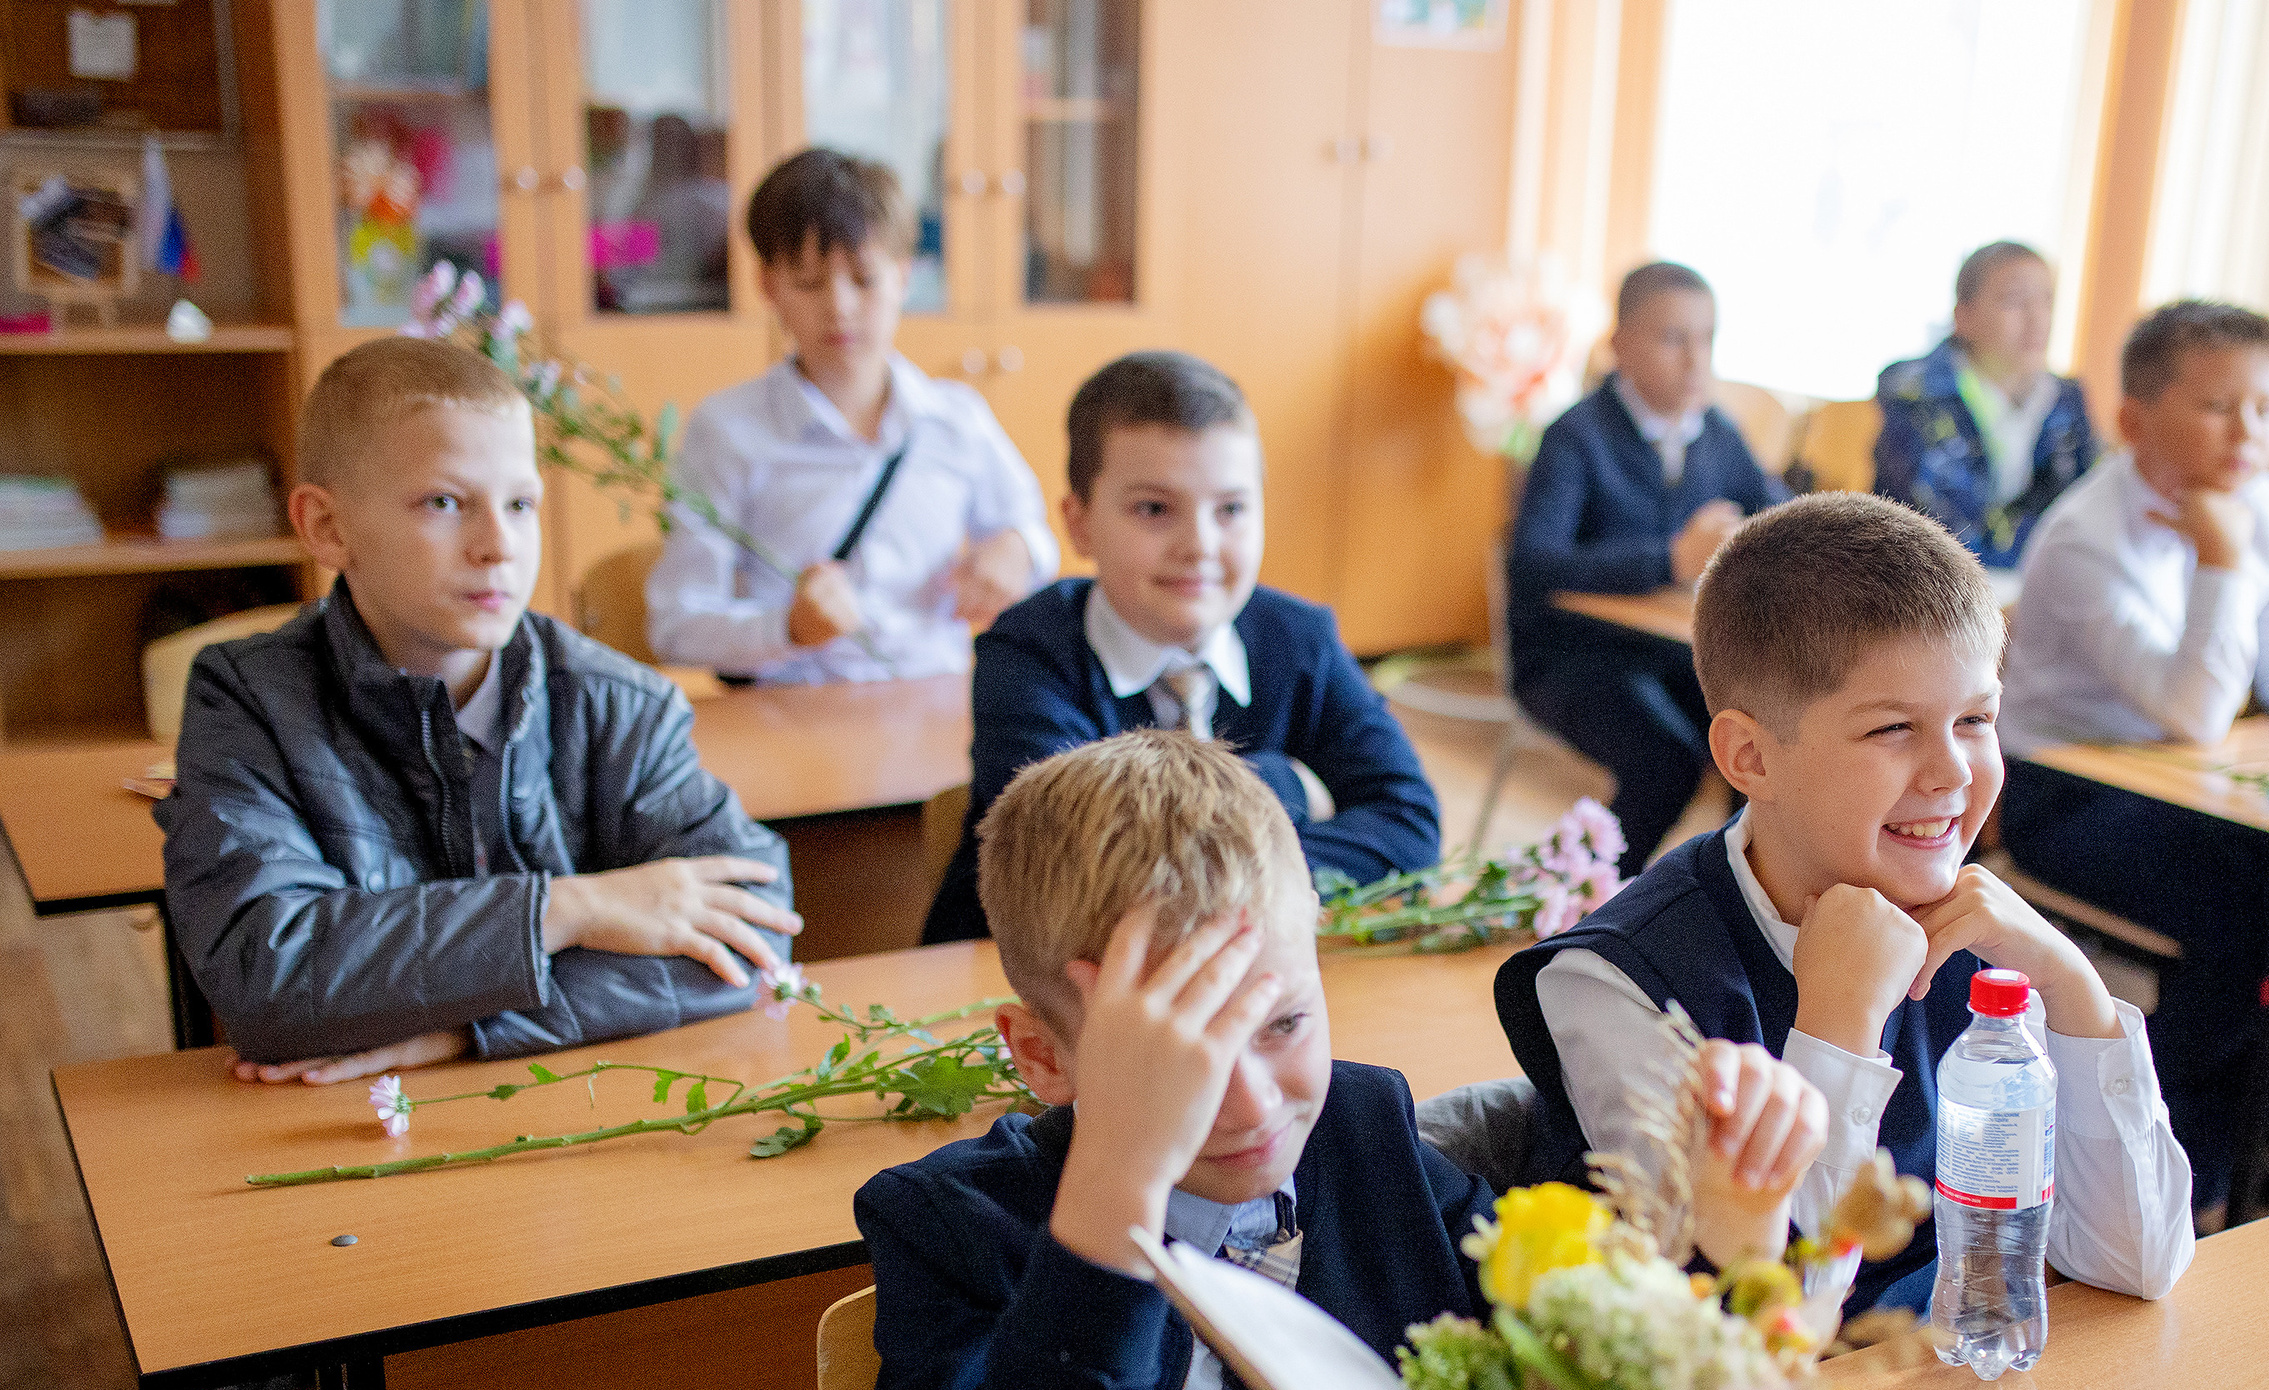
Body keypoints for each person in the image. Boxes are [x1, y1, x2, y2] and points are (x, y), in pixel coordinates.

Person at [157, 335, 799, 1390]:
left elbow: (748, 932)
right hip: (358, 1197)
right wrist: (571, 907)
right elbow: (268, 973)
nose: (494, 541)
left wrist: (463, 1030)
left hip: (583, 1170)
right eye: (443, 501)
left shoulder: (608, 695)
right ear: (324, 524)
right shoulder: (247, 702)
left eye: (518, 500)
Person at [861, 730, 1828, 1390]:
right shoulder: (949, 1224)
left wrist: (1728, 1235)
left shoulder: (1364, 1134)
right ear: (1044, 1055)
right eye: (1184, 1059)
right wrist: (1119, 1181)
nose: (1247, 1106)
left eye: (1283, 1025)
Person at [1497, 493, 2194, 1322]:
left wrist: (2072, 986)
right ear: (1749, 756)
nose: (1953, 772)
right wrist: (1836, 1025)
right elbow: (1762, 1324)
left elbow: (2133, 1261)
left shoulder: (1978, 930)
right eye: (1894, 728)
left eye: (1976, 718)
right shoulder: (1616, 981)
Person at [1998, 300, 2269, 1221]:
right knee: (2261, 926)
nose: (2249, 431)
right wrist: (2222, 560)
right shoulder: (2084, 538)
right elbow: (2192, 709)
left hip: (2191, 790)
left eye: (2265, 407)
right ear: (2135, 419)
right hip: (2070, 793)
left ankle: (2218, 1128)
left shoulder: (2260, 502)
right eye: (2220, 406)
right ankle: (2146, 1143)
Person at [919, 351, 1439, 943]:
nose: (1200, 545)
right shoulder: (1027, 654)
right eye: (1154, 509)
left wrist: (1211, 883)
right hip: (1022, 990)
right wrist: (1283, 784)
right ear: (1080, 523)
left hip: (1248, 976)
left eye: (1232, 509)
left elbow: (1408, 826)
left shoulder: (1301, 640)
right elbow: (1086, 879)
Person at [646, 148, 1057, 682]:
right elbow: (674, 627)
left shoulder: (956, 419)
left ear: (904, 278)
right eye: (810, 283)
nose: (838, 307)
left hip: (934, 703)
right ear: (768, 286)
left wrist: (1017, 549)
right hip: (792, 715)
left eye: (864, 280)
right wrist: (786, 629)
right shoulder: (727, 431)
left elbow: (1037, 536)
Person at [1506, 261, 1791, 875]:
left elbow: (1776, 508)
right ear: (1620, 345)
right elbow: (1533, 562)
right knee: (1666, 758)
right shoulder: (1576, 437)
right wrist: (1669, 558)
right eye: (1673, 339)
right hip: (1573, 655)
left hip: (1671, 651)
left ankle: (1740, 895)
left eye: (1707, 340)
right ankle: (1588, 898)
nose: (1696, 361)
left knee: (1764, 740)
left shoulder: (1714, 430)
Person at [1873, 239, 2100, 574]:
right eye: (2014, 301)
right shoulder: (1917, 394)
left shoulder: (2066, 400)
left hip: (2034, 586)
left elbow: (2083, 515)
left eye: (2047, 302)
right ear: (1963, 316)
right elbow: (1939, 528)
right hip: (1928, 583)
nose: (2037, 320)